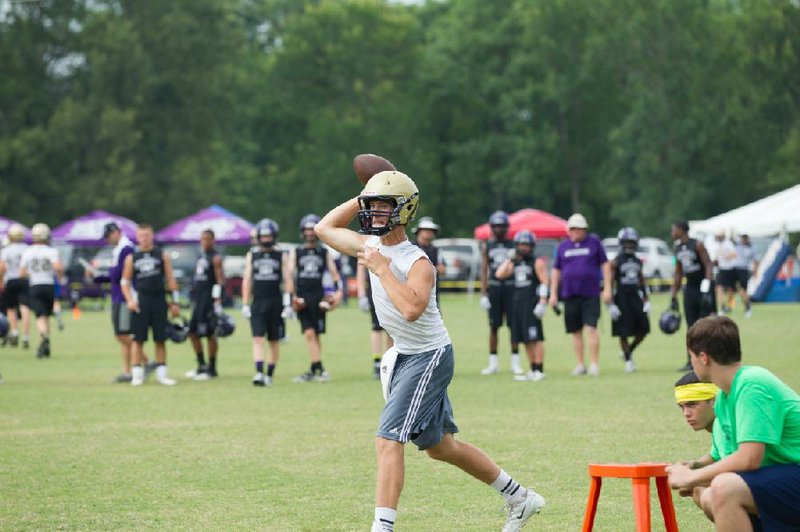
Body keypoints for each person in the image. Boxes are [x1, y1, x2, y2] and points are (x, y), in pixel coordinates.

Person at [315, 169, 545, 532]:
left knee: (388, 439)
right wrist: (367, 189)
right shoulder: (370, 245)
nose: (372, 213)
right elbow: (323, 229)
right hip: (402, 355)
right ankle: (519, 497)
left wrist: (383, 270)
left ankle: (382, 528)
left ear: (404, 212)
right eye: (370, 207)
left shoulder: (418, 262)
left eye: (381, 207)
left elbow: (410, 309)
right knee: (441, 447)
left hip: (429, 355)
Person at [667, 316, 800, 531]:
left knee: (724, 488)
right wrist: (694, 469)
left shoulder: (751, 385)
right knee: (711, 491)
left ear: (703, 358)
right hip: (787, 475)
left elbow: (749, 458)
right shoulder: (724, 399)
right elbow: (729, 461)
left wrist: (691, 477)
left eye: (690, 357)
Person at [548, 213, 612, 376]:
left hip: (590, 294)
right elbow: (556, 270)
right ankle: (580, 364)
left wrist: (608, 287)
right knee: (575, 331)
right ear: (569, 230)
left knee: (591, 328)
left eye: (579, 229)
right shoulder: (562, 247)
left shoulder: (594, 243)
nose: (576, 232)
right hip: (570, 294)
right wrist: (553, 293)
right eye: (573, 229)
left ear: (585, 230)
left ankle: (594, 363)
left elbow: (605, 265)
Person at [120, 224, 181, 386]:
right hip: (142, 300)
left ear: (152, 236)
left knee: (160, 338)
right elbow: (124, 281)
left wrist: (175, 302)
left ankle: (162, 374)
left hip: (159, 299)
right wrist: (130, 300)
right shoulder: (132, 257)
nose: (144, 238)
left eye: (147, 235)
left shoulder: (162, 255)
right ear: (137, 237)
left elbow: (171, 279)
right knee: (138, 339)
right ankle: (137, 374)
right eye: (141, 236)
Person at [286, 214, 343, 383]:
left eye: (313, 229)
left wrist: (338, 291)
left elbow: (334, 273)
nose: (310, 233)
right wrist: (291, 297)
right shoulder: (296, 252)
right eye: (307, 230)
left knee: (315, 334)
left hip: (319, 297)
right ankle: (319, 368)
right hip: (302, 297)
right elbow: (289, 275)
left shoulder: (324, 252)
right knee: (309, 333)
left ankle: (315, 368)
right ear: (302, 232)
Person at [95, 222, 154, 383]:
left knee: (121, 334)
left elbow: (119, 275)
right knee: (124, 334)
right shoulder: (120, 249)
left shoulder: (126, 249)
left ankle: (147, 362)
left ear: (116, 232)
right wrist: (98, 276)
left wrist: (100, 274)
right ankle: (127, 371)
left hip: (123, 297)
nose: (107, 240)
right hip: (117, 295)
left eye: (108, 236)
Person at [241, 218, 293, 387]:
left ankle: (269, 373)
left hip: (276, 301)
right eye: (263, 236)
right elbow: (247, 280)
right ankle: (258, 372)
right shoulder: (252, 255)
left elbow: (287, 279)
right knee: (257, 338)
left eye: (268, 236)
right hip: (258, 302)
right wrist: (245, 304)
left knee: (274, 340)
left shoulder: (280, 255)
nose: (265, 239)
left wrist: (287, 303)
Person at [494, 230, 549, 382]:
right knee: (525, 338)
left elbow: (545, 281)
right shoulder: (515, 262)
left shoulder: (536, 262)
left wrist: (542, 302)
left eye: (526, 244)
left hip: (532, 304)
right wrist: (509, 260)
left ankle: (539, 369)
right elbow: (499, 274)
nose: (523, 247)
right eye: (521, 244)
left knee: (535, 337)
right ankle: (532, 368)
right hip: (518, 304)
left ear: (531, 246)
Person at [479, 211, 523, 376]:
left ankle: (515, 362)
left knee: (514, 326)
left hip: (511, 288)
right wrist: (483, 292)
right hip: (495, 288)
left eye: (502, 226)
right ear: (492, 227)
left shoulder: (513, 244)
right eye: (496, 226)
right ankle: (493, 363)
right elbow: (484, 269)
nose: (499, 229)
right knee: (494, 327)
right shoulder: (487, 246)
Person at [669, 220, 715, 372]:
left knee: (707, 325)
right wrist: (673, 294)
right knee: (691, 327)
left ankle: (711, 359)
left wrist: (707, 287)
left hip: (702, 286)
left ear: (681, 229)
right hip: (689, 288)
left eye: (674, 229)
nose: (672, 232)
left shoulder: (697, 245)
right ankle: (691, 361)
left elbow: (708, 265)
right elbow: (678, 272)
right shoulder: (677, 247)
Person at [19, 223, 63, 359]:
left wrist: (32, 273)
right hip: (49, 285)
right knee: (46, 315)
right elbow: (58, 268)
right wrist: (60, 279)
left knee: (39, 316)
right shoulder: (51, 251)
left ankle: (44, 337)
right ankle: (45, 344)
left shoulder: (28, 251)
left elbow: (21, 273)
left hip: (35, 285)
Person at [609, 227, 650, 373]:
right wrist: (611, 304)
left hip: (635, 296)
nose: (629, 245)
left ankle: (629, 351)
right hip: (621, 297)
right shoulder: (616, 261)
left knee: (643, 329)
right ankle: (628, 360)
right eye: (626, 242)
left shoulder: (638, 261)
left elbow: (641, 280)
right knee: (623, 331)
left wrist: (646, 299)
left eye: (631, 242)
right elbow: (610, 283)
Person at [185, 229, 225, 381]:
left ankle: (212, 368)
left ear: (213, 240)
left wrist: (217, 300)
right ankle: (201, 365)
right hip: (198, 299)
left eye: (208, 239)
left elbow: (220, 280)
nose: (205, 242)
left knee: (209, 333)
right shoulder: (200, 256)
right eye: (202, 239)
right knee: (192, 332)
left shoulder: (215, 257)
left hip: (208, 300)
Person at [357, 261, 394, 379]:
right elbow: (361, 270)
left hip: (391, 290)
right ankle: (377, 362)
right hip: (375, 291)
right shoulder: (369, 245)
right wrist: (361, 294)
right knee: (376, 327)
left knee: (392, 329)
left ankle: (390, 362)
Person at [0, 223, 31, 349]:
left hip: (11, 280)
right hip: (25, 280)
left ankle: (14, 332)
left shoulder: (6, 250)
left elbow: (2, 267)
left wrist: (1, 280)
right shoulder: (27, 248)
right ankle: (26, 336)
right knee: (25, 308)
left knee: (11, 309)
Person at [411, 216, 445, 304]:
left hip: (432, 293)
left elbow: (442, 269)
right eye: (425, 229)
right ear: (419, 231)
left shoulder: (436, 250)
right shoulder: (410, 248)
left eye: (431, 230)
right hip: (413, 291)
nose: (429, 232)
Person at [713, 232, 737, 315]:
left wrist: (727, 256)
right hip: (721, 269)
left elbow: (734, 254)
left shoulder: (728, 243)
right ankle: (722, 306)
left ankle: (729, 305)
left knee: (731, 289)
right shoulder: (717, 245)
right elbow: (716, 256)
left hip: (729, 269)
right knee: (719, 287)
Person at [733, 234, 757, 318]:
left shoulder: (750, 249)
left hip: (743, 270)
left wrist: (755, 272)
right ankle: (746, 303)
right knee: (738, 289)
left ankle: (747, 304)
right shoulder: (738, 246)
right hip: (735, 269)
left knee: (743, 289)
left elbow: (755, 261)